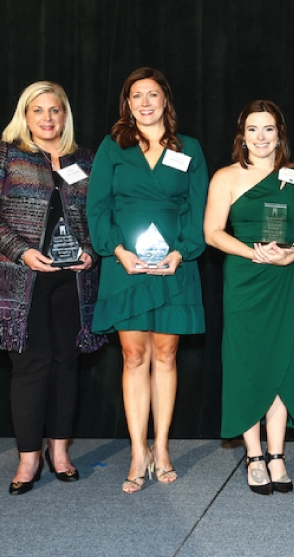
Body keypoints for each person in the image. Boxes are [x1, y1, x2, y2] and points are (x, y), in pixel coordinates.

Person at [0, 81, 106, 495]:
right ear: (25, 116)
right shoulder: (7, 153)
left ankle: (59, 452)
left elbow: (100, 215)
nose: (47, 118)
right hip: (20, 280)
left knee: (66, 363)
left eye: (55, 110)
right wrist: (22, 251)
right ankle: (28, 458)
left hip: (73, 279)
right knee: (30, 367)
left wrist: (91, 252)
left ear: (65, 115)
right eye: (38, 110)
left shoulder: (86, 159)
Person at [87, 67, 208, 493]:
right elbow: (97, 207)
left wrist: (182, 251)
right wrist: (117, 251)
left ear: (165, 100)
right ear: (127, 103)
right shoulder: (112, 147)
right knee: (134, 355)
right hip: (125, 266)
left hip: (175, 264)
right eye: (136, 95)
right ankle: (139, 451)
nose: (145, 103)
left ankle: (163, 446)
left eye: (152, 94)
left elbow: (199, 208)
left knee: (167, 355)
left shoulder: (188, 148)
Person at [204, 100, 294, 495]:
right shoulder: (225, 177)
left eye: (268, 128)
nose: (261, 136)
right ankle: (254, 456)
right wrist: (252, 253)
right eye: (252, 129)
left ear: (280, 134)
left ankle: (277, 454)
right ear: (242, 135)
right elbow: (212, 233)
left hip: (285, 277)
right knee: (245, 364)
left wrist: (293, 253)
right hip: (244, 277)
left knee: (283, 362)